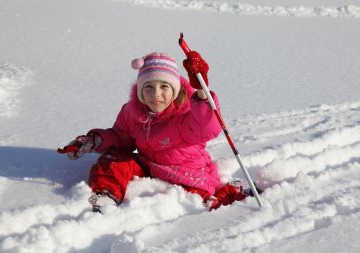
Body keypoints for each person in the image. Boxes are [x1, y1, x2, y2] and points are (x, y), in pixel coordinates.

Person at [63, 51, 249, 212]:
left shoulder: (185, 115)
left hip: (187, 177)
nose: (156, 94)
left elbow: (205, 126)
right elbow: (121, 138)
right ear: (140, 91)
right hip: (151, 167)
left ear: (175, 90)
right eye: (149, 87)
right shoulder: (132, 112)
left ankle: (233, 193)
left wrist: (201, 91)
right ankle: (103, 198)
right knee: (114, 158)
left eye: (164, 87)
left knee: (205, 203)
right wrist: (94, 140)